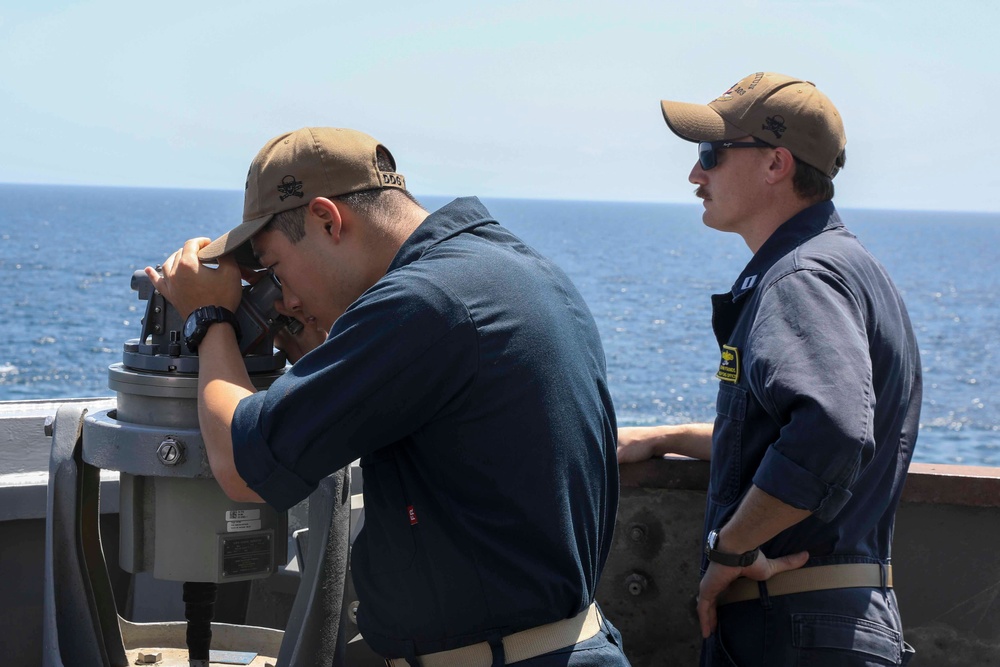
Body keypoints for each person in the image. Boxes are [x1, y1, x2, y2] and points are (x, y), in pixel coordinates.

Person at [147, 127, 631, 666]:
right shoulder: (505, 269)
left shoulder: (424, 303)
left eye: (276, 267)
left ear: (327, 220)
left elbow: (242, 467)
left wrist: (207, 318)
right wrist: (320, 358)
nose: (284, 296)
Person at [617, 73, 921, 666]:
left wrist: (729, 550)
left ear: (777, 163)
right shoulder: (849, 266)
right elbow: (798, 426)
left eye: (711, 154)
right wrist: (669, 437)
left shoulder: (800, 278)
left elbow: (831, 431)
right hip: (831, 622)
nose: (695, 175)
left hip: (790, 628)